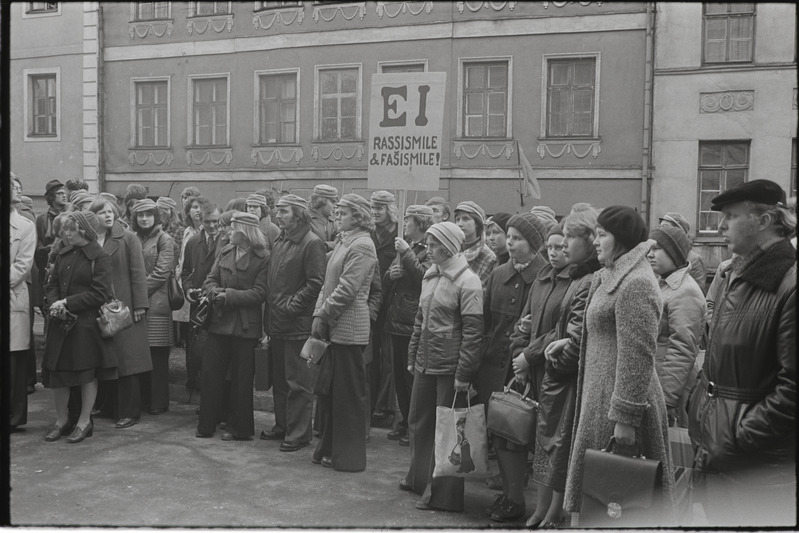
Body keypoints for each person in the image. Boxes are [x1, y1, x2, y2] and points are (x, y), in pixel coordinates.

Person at [688, 180, 796, 527]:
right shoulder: (737, 274)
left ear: (764, 220)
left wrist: (739, 435)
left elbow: (792, 388)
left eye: (731, 216)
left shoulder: (789, 285)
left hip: (756, 470)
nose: (720, 226)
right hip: (722, 454)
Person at [563, 206, 675, 523]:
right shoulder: (614, 274)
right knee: (600, 501)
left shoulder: (635, 283)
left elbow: (637, 355)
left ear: (621, 239)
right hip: (600, 405)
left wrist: (625, 417)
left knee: (622, 504)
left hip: (621, 412)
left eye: (602, 235)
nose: (595, 241)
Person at [401, 221, 484, 512]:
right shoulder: (430, 275)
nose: (429, 250)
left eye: (435, 245)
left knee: (449, 430)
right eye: (429, 244)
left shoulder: (468, 281)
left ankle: (442, 495)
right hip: (426, 361)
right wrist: (412, 355)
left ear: (450, 247)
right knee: (418, 421)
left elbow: (474, 333)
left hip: (450, 367)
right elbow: (419, 321)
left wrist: (464, 373)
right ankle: (419, 478)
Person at [531, 205, 603, 528]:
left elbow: (575, 339)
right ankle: (544, 508)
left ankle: (552, 512)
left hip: (565, 380)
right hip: (558, 377)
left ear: (589, 241)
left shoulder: (586, 280)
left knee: (560, 449)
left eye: (572, 238)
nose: (564, 245)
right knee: (551, 448)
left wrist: (554, 366)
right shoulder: (578, 276)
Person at [495, 223, 570, 524]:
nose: (553, 253)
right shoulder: (542, 279)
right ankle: (526, 502)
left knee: (553, 444)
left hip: (554, 371)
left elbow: (561, 331)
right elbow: (522, 323)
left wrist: (528, 356)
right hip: (528, 372)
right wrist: (519, 357)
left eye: (560, 247)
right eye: (550, 247)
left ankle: (553, 509)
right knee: (518, 435)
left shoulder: (576, 283)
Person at [310, 194, 378, 472]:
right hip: (334, 325)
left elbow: (348, 290)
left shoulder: (362, 245)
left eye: (344, 213)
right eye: (337, 213)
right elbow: (327, 285)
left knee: (348, 397)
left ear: (359, 217)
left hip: (349, 328)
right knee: (332, 394)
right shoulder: (344, 241)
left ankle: (348, 458)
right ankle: (329, 449)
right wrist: (318, 313)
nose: (338, 217)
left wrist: (324, 314)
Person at [43, 211, 117, 443]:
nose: (65, 233)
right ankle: (61, 420)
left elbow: (100, 293)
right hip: (61, 323)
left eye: (70, 229)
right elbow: (52, 283)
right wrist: (55, 303)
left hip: (85, 326)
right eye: (65, 229)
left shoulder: (100, 257)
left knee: (86, 375)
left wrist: (67, 303)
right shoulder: (64, 253)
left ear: (84, 231)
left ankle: (84, 422)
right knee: (58, 374)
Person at [260, 195, 326, 451]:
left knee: (298, 382)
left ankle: (298, 433)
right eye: (277, 210)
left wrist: (291, 307)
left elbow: (315, 282)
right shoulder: (281, 239)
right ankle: (283, 425)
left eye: (284, 211)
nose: (278, 215)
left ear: (298, 214)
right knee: (280, 380)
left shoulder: (311, 243)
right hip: (277, 323)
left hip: (297, 325)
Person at [196, 212, 270, 441]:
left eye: (232, 228)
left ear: (245, 232)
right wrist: (214, 291)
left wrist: (228, 295)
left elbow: (260, 293)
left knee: (242, 378)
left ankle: (241, 429)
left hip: (245, 326)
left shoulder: (263, 258)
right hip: (219, 321)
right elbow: (210, 278)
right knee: (211, 373)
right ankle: (207, 424)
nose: (227, 231)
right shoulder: (226, 250)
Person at [90, 197, 151, 428]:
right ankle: (108, 407)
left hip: (124, 307)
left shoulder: (128, 238)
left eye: (111, 212)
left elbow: (138, 272)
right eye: (102, 212)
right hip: (99, 307)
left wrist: (139, 306)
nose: (108, 216)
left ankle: (130, 411)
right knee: (107, 359)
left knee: (128, 361)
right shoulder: (90, 238)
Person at [382, 205, 434, 447]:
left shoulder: (427, 248)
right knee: (400, 379)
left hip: (411, 317)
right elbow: (392, 275)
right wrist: (388, 275)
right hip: (397, 316)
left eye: (408, 219)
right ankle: (404, 420)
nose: (404, 224)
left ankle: (413, 425)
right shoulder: (406, 247)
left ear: (420, 223)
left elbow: (425, 277)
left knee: (411, 376)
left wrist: (407, 254)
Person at [647, 225, 706, 428]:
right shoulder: (662, 284)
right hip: (655, 382)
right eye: (649, 248)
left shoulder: (685, 292)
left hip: (671, 389)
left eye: (657, 249)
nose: (650, 254)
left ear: (674, 253)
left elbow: (682, 348)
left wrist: (667, 398)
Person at [131, 199, 176, 416]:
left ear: (156, 217)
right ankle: (142, 400)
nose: (144, 218)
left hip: (157, 304)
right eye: (140, 215)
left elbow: (162, 273)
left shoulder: (164, 239)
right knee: (140, 353)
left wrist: (136, 293)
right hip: (137, 304)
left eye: (148, 214)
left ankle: (158, 401)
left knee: (157, 356)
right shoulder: (133, 237)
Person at [180, 198, 219, 394]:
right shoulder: (194, 242)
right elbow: (186, 270)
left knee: (215, 357)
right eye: (207, 222)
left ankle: (214, 402)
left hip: (218, 306)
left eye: (215, 221)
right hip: (197, 307)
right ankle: (201, 395)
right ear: (200, 221)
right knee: (196, 351)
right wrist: (188, 289)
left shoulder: (227, 241)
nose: (212, 226)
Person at [369, 190, 399, 430]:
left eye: (380, 207)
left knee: (388, 359)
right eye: (373, 207)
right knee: (371, 357)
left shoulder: (399, 236)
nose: (375, 212)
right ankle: (370, 404)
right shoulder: (369, 234)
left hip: (392, 303)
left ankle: (385, 408)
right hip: (371, 300)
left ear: (390, 209)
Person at [10, 179, 37, 430]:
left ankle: (13, 417)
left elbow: (22, 265)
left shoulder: (24, 226)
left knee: (13, 361)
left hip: (11, 296)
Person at [35, 180, 68, 310]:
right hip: (48, 264)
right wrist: (46, 249)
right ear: (51, 197)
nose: (64, 195)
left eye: (64, 193)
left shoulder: (70, 214)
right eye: (60, 193)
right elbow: (38, 242)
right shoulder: (42, 219)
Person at [658, 212, 708, 292]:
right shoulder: (659, 255)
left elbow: (695, 293)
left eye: (665, 227)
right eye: (660, 227)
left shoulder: (694, 260)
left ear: (678, 231)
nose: (661, 231)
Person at [454, 201, 496, 290]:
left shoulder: (488, 256)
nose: (460, 224)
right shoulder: (451, 250)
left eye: (466, 219)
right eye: (457, 219)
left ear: (477, 223)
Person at [309, 184, 339, 251]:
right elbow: (308, 248)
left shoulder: (332, 222)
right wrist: (332, 245)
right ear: (322, 201)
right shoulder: (305, 220)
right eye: (332, 202)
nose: (335, 206)